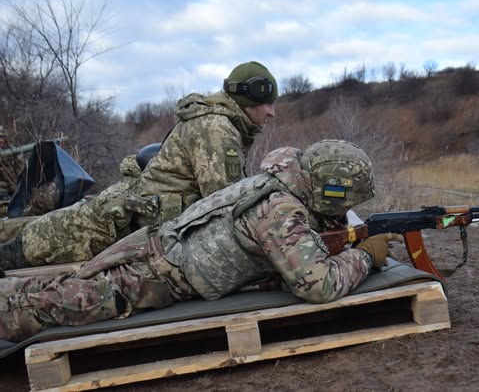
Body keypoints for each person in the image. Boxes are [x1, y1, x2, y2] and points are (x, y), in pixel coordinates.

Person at [0, 140, 399, 343]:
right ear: (331, 191)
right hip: (153, 275)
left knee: (50, 292)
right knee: (50, 306)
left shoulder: (281, 181)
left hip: (157, 250)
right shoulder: (281, 209)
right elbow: (319, 285)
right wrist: (364, 257)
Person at [0, 61, 278, 270]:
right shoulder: (217, 129)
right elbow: (223, 204)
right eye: (267, 103)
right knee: (30, 245)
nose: (271, 112)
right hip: (115, 224)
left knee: (33, 233)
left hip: (126, 217)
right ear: (248, 99)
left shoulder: (221, 124)